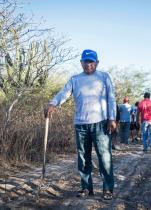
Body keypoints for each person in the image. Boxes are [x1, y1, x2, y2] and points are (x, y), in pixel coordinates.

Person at [44, 49, 116, 200]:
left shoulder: (104, 76)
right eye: (85, 62)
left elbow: (111, 98)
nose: (88, 65)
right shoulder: (75, 79)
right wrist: (52, 103)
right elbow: (64, 93)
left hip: (101, 124)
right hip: (81, 124)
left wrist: (112, 118)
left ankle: (108, 189)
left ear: (97, 62)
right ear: (81, 63)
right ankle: (85, 187)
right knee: (83, 158)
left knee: (104, 157)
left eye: (91, 62)